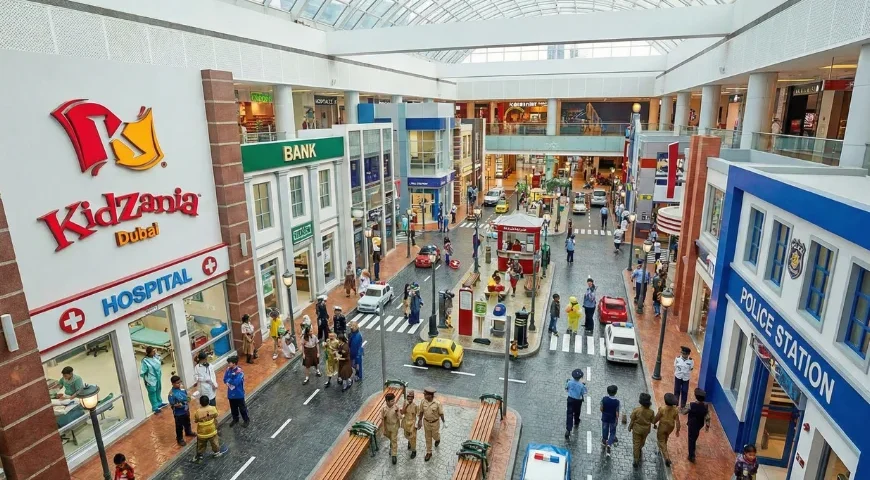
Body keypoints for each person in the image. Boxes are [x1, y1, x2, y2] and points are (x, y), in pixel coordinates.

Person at [193, 395, 227, 461]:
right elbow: (216, 415)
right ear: (208, 402)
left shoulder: (198, 411)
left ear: (200, 403)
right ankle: (217, 452)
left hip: (202, 432)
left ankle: (200, 455)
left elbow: (196, 420)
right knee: (214, 442)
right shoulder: (213, 408)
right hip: (212, 429)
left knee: (201, 444)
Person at [417, 387, 445, 462]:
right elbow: (421, 412)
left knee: (435, 435)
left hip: (435, 423)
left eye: (425, 394)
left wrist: (444, 422)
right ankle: (429, 452)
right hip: (426, 422)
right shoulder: (423, 402)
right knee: (428, 437)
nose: (424, 395)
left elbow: (441, 413)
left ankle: (438, 439)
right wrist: (419, 421)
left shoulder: (437, 403)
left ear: (430, 395)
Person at [628, 392, 656, 468]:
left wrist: (630, 427)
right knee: (643, 441)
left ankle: (636, 459)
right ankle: (640, 447)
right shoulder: (651, 412)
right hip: (646, 430)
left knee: (636, 444)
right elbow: (653, 421)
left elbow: (632, 419)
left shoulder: (636, 410)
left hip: (637, 429)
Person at [653, 392, 680, 467]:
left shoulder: (662, 409)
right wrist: (678, 430)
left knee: (661, 440)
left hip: (662, 426)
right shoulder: (675, 410)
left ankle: (667, 457)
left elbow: (657, 418)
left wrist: (654, 423)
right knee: (666, 437)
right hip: (670, 427)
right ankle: (662, 448)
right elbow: (677, 421)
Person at [167, 375, 195, 446]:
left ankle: (188, 432)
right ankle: (180, 439)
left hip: (186, 410)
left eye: (180, 382)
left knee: (187, 422)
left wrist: (189, 399)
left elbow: (187, 396)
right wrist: (177, 405)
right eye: (177, 383)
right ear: (172, 384)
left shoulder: (182, 388)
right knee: (179, 426)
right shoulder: (171, 394)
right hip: (178, 413)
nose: (179, 384)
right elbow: (172, 405)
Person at [223, 355, 250, 427]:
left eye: (230, 362)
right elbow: (224, 379)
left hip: (239, 394)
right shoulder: (228, 370)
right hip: (231, 393)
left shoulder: (240, 372)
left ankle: (246, 420)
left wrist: (230, 378)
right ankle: (235, 419)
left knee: (242, 408)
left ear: (234, 363)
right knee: (233, 408)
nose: (228, 364)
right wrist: (229, 380)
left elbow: (236, 382)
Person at [686, 388, 711, 463]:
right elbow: (707, 417)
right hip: (699, 424)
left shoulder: (691, 405)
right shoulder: (705, 406)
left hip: (692, 424)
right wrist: (707, 426)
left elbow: (684, 411)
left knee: (691, 439)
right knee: (695, 436)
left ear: (696, 397)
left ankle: (691, 456)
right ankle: (693, 449)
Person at [140, 346, 167, 414]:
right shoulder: (145, 361)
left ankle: (159, 403)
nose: (154, 352)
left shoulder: (155, 357)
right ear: (149, 353)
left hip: (157, 377)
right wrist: (146, 381)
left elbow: (159, 359)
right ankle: (155, 407)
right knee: (152, 392)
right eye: (153, 351)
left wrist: (155, 352)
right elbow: (143, 372)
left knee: (158, 390)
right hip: (150, 379)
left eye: (154, 351)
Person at [564, 369, 587, 439]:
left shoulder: (569, 382)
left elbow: (566, 388)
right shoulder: (581, 385)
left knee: (569, 413)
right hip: (578, 400)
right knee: (577, 411)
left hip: (570, 399)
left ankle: (568, 429)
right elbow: (584, 392)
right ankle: (576, 421)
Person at [600, 384, 621, 456]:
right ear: (615, 392)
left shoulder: (604, 399)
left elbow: (601, 409)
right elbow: (617, 413)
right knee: (612, 432)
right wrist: (617, 419)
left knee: (605, 429)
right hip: (612, 419)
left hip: (605, 418)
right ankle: (609, 443)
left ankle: (604, 441)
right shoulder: (617, 402)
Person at [383, 392, 402, 465]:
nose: (394, 402)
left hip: (394, 426)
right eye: (392, 401)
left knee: (394, 440)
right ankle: (391, 444)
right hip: (387, 427)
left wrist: (398, 412)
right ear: (387, 401)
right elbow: (383, 419)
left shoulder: (396, 407)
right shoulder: (384, 409)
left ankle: (394, 455)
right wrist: (384, 429)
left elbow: (400, 417)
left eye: (394, 400)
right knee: (390, 437)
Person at [674, 346, 694, 410]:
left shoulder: (691, 361)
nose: (683, 355)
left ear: (688, 354)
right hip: (678, 377)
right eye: (682, 353)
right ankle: (675, 404)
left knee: (684, 391)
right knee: (677, 390)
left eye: (685, 354)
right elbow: (675, 366)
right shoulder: (677, 359)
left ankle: (683, 405)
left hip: (686, 378)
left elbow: (691, 369)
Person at [402, 390, 421, 459]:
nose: (409, 400)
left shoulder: (415, 406)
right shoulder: (405, 403)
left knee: (413, 438)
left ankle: (413, 451)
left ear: (413, 398)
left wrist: (418, 423)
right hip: (406, 422)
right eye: (408, 398)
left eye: (411, 398)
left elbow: (418, 415)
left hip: (412, 423)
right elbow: (402, 413)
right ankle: (409, 441)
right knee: (406, 435)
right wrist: (406, 406)